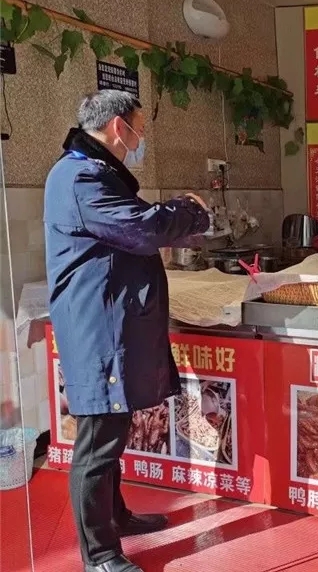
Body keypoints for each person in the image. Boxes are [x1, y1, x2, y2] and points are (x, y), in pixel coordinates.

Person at [44, 90, 211, 572]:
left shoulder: (98, 172)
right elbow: (141, 228)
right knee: (97, 443)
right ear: (119, 127)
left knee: (112, 433)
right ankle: (99, 555)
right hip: (95, 330)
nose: (140, 139)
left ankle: (116, 517)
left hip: (108, 322)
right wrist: (188, 210)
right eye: (139, 128)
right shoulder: (79, 177)